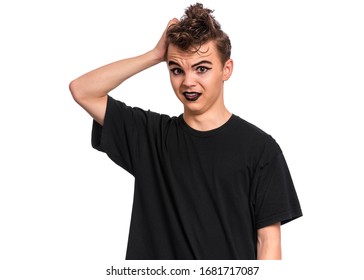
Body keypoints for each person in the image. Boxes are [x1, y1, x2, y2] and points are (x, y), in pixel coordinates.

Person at [69, 2, 302, 260]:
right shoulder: (150, 137)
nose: (188, 82)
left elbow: (267, 241)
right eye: (177, 70)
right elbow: (83, 90)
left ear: (226, 69)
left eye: (201, 68)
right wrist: (155, 55)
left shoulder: (260, 149)